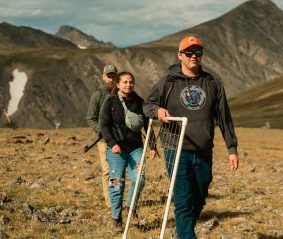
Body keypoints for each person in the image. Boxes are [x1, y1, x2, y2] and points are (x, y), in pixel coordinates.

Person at [143, 36, 239, 239]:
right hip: (175, 148)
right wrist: (157, 110)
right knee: (183, 198)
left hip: (203, 149)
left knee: (200, 195)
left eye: (197, 52)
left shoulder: (212, 82)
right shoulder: (167, 82)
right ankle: (186, 235)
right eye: (189, 52)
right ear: (180, 55)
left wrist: (232, 149)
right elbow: (147, 106)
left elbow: (224, 116)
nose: (194, 56)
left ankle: (182, 230)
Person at [99, 71, 156, 228]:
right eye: (125, 82)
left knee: (140, 177)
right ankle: (116, 219)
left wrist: (153, 145)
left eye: (131, 82)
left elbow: (148, 125)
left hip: (135, 149)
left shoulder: (139, 102)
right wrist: (112, 143)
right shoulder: (110, 102)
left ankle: (130, 206)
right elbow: (103, 125)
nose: (128, 84)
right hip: (116, 150)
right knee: (116, 184)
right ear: (118, 84)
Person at [86, 63, 118, 208]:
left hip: (120, 139)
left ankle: (117, 199)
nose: (111, 79)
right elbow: (90, 118)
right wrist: (101, 130)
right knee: (107, 171)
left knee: (118, 171)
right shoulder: (97, 96)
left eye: (113, 76)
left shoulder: (121, 93)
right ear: (103, 77)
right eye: (108, 76)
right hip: (104, 140)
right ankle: (110, 203)